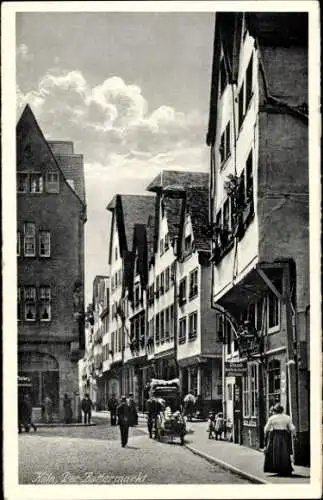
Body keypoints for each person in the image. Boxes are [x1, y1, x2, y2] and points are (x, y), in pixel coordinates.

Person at [264, 403, 296, 477]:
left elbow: (266, 428)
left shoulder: (272, 418)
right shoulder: (287, 417)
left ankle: (277, 468)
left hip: (275, 435)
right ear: (282, 410)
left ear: (275, 410)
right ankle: (285, 469)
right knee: (285, 452)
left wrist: (266, 435)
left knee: (275, 452)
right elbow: (292, 428)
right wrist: (294, 435)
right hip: (284, 435)